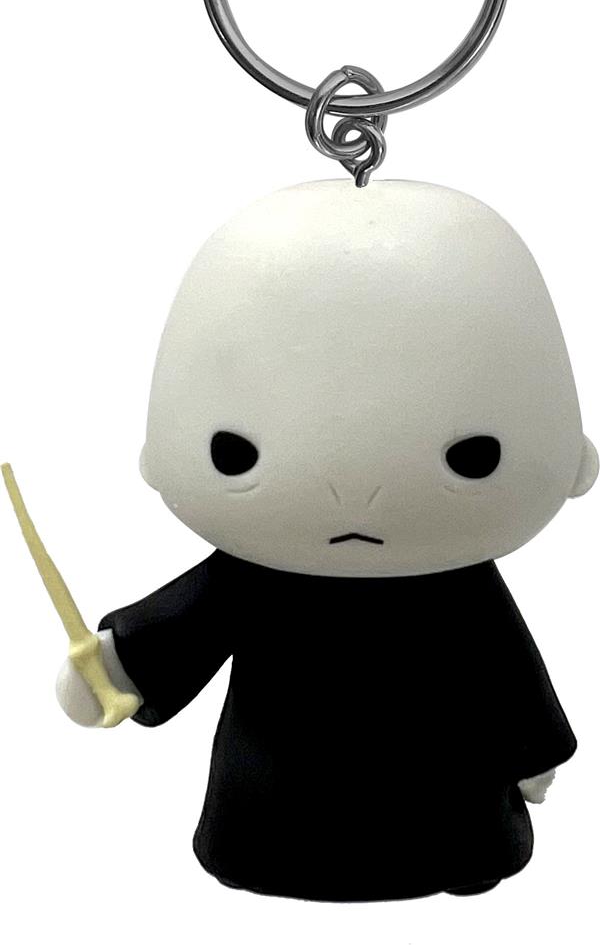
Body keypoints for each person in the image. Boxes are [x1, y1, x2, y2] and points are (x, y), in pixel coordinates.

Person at [57, 180, 598, 901]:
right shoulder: (263, 574)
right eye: (236, 455)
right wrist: (114, 668)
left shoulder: (450, 585)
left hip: (431, 805)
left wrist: (531, 749)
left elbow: (506, 671)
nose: (355, 494)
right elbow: (176, 632)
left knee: (449, 836)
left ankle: (452, 855)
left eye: (472, 458)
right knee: (287, 834)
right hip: (283, 800)